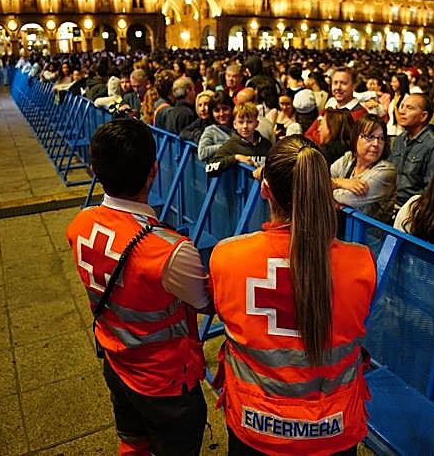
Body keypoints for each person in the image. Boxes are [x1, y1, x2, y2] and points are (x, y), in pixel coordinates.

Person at [209, 135, 376, 455]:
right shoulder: (361, 263)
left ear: (264, 189)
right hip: (333, 431)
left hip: (253, 428)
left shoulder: (227, 258)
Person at [66, 119, 211, 455]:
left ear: (94, 169)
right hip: (165, 382)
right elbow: (205, 302)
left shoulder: (80, 224)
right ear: (153, 171)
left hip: (116, 361)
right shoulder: (169, 250)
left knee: (132, 443)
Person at [331, 114, 396, 219]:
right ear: (355, 137)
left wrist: (333, 184)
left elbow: (348, 198)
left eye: (381, 138)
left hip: (368, 233)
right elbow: (318, 184)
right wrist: (340, 182)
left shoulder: (387, 171)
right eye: (370, 137)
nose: (376, 143)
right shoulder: (348, 159)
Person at [388, 93, 434, 208]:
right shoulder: (399, 139)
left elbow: (431, 188)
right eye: (402, 106)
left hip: (412, 208)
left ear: (423, 116)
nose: (402, 111)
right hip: (389, 203)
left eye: (410, 108)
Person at [207, 102, 272, 175]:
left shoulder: (267, 144)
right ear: (235, 124)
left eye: (249, 122)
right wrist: (235, 158)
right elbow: (209, 168)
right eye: (241, 122)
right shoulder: (230, 146)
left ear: (256, 123)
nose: (245, 126)